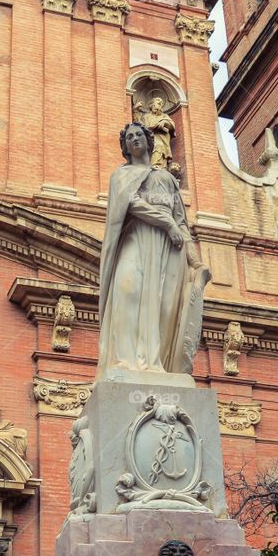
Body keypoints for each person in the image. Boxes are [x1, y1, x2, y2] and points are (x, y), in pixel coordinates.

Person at [97, 122, 207, 380]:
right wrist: (165, 222)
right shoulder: (121, 176)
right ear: (125, 147)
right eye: (129, 137)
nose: (134, 139)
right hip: (135, 240)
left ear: (149, 140)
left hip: (169, 251)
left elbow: (181, 222)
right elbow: (130, 204)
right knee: (126, 290)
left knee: (163, 307)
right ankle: (124, 361)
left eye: (139, 135)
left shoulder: (167, 179)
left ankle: (155, 364)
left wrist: (195, 262)